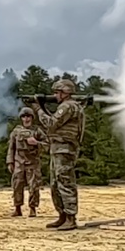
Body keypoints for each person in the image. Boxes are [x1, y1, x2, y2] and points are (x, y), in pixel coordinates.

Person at [32, 79, 86, 231]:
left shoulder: (68, 106)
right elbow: (55, 123)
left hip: (64, 148)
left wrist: (38, 109)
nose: (55, 95)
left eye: (57, 92)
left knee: (65, 181)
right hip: (58, 148)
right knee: (55, 183)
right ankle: (62, 215)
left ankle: (70, 217)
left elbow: (50, 124)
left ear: (65, 92)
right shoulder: (69, 106)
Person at [6, 106, 47, 217]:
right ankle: (17, 208)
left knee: (34, 186)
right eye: (24, 116)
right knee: (17, 185)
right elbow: (11, 147)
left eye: (28, 116)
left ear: (32, 118)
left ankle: (32, 208)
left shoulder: (37, 131)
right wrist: (10, 162)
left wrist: (37, 143)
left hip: (33, 162)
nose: (26, 119)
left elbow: (48, 145)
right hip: (19, 161)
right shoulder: (16, 131)